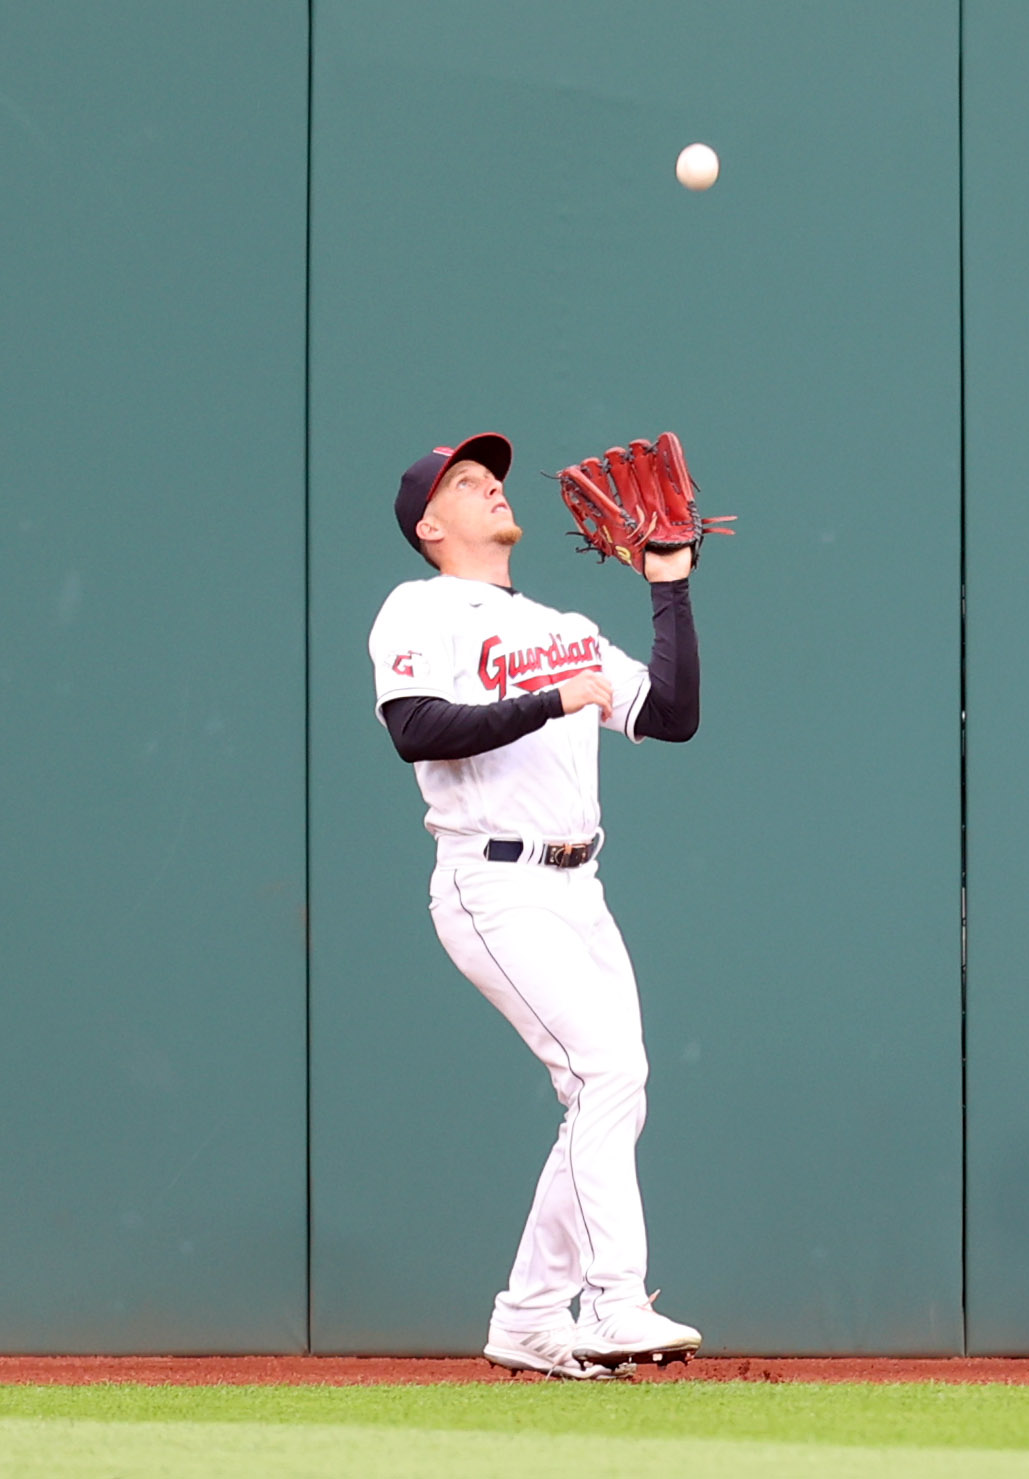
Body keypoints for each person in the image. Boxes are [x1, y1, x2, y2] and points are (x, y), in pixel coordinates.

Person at [367, 431, 704, 1379]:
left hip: (578, 884)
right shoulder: (419, 607)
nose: (493, 489)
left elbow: (672, 715)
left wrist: (667, 581)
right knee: (604, 1075)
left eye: (494, 477)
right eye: (469, 484)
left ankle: (525, 1318)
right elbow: (416, 730)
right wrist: (552, 700)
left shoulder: (565, 624)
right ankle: (613, 1304)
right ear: (431, 524)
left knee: (613, 1089)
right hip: (494, 880)